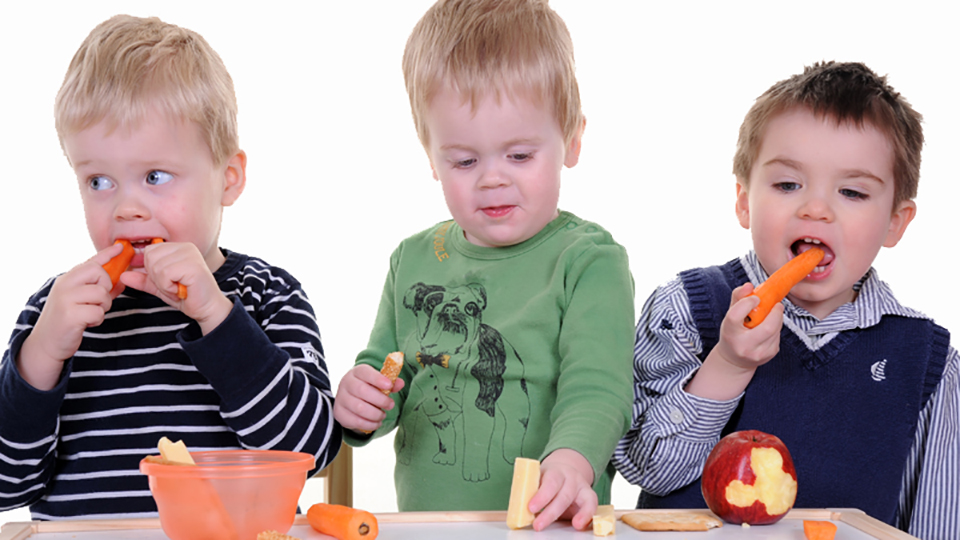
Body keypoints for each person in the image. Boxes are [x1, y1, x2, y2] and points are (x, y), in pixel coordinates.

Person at [0, 15, 340, 521]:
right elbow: (8, 486)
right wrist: (42, 353)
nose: (126, 208)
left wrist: (216, 317)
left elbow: (309, 450)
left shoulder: (268, 294)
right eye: (98, 181)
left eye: (155, 176)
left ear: (228, 179)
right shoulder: (55, 311)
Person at [613, 61, 958, 539]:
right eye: (787, 184)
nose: (815, 208)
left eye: (853, 192)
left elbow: (938, 521)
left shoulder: (926, 360)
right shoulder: (685, 310)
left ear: (896, 222)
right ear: (743, 201)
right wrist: (728, 364)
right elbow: (649, 471)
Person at [332, 0, 634, 531]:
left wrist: (572, 461)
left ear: (572, 139)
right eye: (465, 161)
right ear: (431, 156)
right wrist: (362, 402)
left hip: (552, 523)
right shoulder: (412, 259)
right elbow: (387, 370)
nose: (492, 178)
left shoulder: (589, 261)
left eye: (519, 156)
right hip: (431, 527)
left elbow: (599, 388)